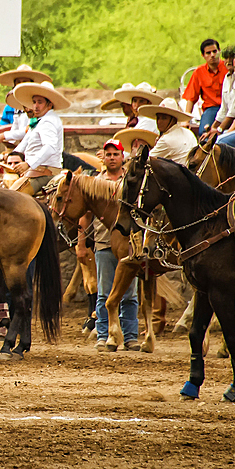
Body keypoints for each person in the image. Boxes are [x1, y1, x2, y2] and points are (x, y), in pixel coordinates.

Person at [78, 139, 139, 352]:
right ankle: (104, 335)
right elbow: (85, 216)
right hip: (103, 242)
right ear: (102, 158)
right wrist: (82, 244)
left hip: (129, 243)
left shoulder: (132, 181)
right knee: (104, 292)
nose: (112, 157)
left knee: (129, 293)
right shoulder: (94, 183)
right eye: (108, 154)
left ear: (123, 157)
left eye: (116, 154)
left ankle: (131, 336)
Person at [9, 81, 68, 194]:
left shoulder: (48, 121)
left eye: (39, 102)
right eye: (34, 102)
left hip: (43, 173)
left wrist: (28, 164)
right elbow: (27, 140)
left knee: (12, 196)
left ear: (49, 104)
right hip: (37, 171)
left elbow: (50, 147)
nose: (35, 106)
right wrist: (14, 154)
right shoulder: (41, 120)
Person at [0, 65, 51, 148]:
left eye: (24, 82)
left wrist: (4, 136)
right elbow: (16, 127)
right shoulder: (17, 107)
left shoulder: (36, 106)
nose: (21, 85)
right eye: (18, 82)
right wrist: (11, 145)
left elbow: (29, 129)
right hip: (23, 145)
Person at [134, 98, 199, 164]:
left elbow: (144, 161)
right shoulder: (189, 133)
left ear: (173, 120)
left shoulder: (166, 140)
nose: (159, 122)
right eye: (158, 118)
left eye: (164, 118)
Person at [181, 38, 225, 135]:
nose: (212, 55)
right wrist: (186, 120)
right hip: (211, 108)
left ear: (219, 51)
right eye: (208, 53)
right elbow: (191, 98)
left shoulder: (228, 67)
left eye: (214, 51)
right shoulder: (199, 72)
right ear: (203, 55)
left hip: (229, 107)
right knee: (204, 133)